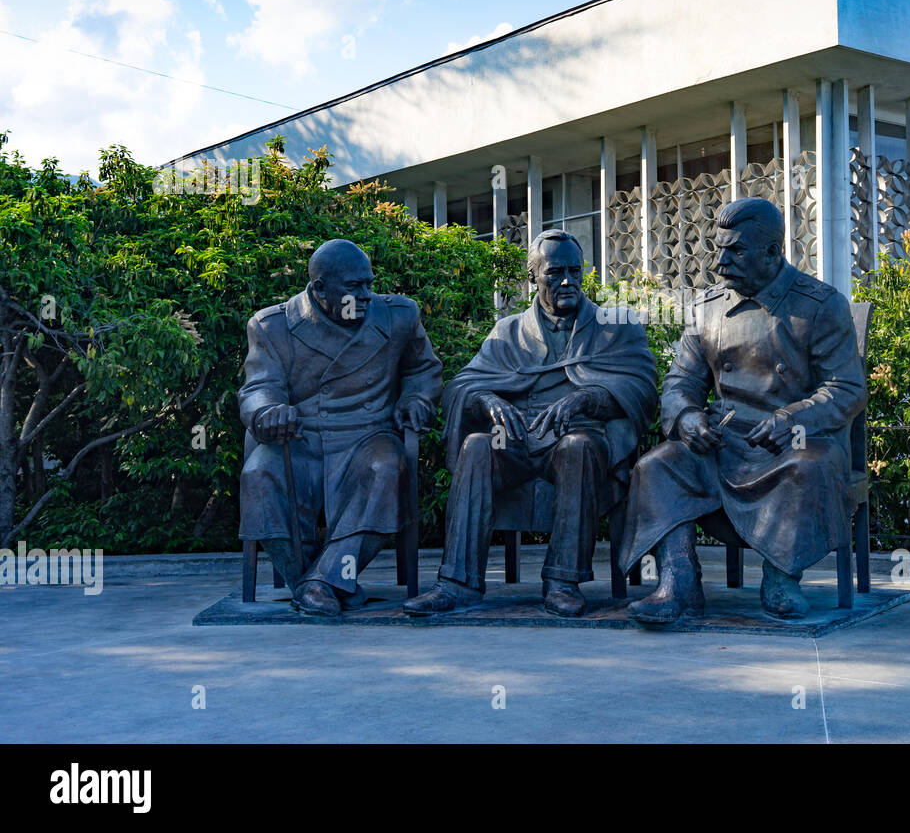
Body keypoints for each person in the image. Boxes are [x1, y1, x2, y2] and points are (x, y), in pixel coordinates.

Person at [619, 198, 866, 622]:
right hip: (724, 440)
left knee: (806, 469)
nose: (721, 262)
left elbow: (846, 388)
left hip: (796, 442)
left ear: (773, 252)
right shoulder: (706, 308)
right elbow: (681, 380)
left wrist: (793, 420)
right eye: (718, 249)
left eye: (735, 251)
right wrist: (686, 418)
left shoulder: (820, 305)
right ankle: (678, 581)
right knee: (657, 465)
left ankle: (782, 576)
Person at [403, 229, 658, 618]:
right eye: (555, 273)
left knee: (579, 447)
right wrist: (488, 400)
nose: (568, 281)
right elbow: (465, 385)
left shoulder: (615, 325)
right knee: (477, 446)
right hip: (517, 438)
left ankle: (562, 581)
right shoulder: (509, 331)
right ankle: (457, 584)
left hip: (578, 434)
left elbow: (642, 388)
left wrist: (586, 398)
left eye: (575, 271)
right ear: (532, 278)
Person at [238, 239, 442, 617]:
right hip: (300, 436)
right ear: (319, 288)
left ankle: (321, 583)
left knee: (386, 469)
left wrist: (416, 400)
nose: (366, 295)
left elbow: (422, 370)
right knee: (260, 474)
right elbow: (260, 386)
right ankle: (320, 580)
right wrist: (268, 412)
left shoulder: (398, 316)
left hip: (368, 434)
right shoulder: (273, 326)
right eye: (353, 287)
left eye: (369, 284)